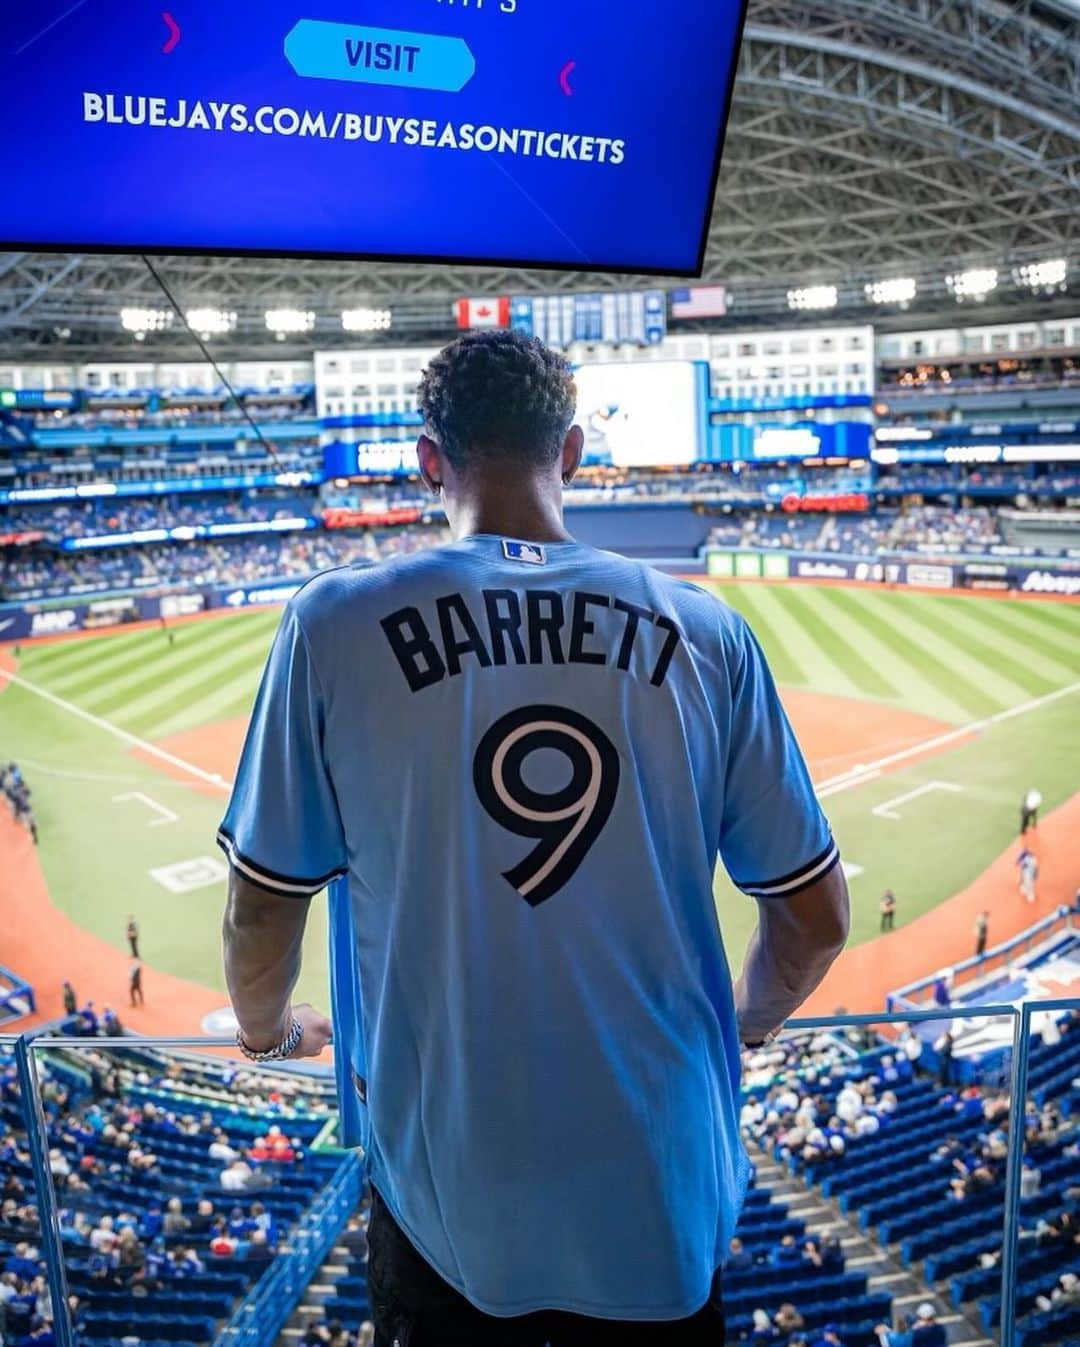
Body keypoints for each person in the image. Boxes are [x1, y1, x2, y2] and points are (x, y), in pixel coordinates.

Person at [218, 331, 851, 1346]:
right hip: (662, 1178)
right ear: (574, 450)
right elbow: (815, 918)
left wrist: (267, 1035)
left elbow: (259, 908)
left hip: (446, 1190)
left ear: (430, 460)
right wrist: (750, 1024)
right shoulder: (709, 628)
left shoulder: (331, 621)